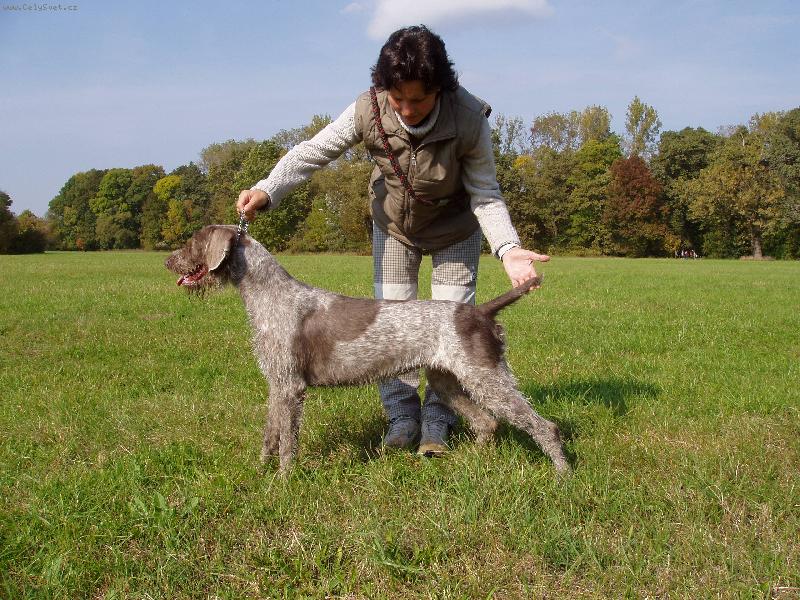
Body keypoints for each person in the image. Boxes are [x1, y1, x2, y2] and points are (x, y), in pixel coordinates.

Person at [236, 25, 548, 456]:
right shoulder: (368, 108)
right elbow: (313, 151)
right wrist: (268, 188)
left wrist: (509, 250)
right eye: (397, 98)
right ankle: (401, 417)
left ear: (441, 87)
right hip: (394, 230)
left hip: (454, 230)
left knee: (449, 334)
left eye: (419, 98)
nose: (406, 108)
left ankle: (438, 425)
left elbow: (486, 193)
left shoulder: (470, 120)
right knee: (391, 332)